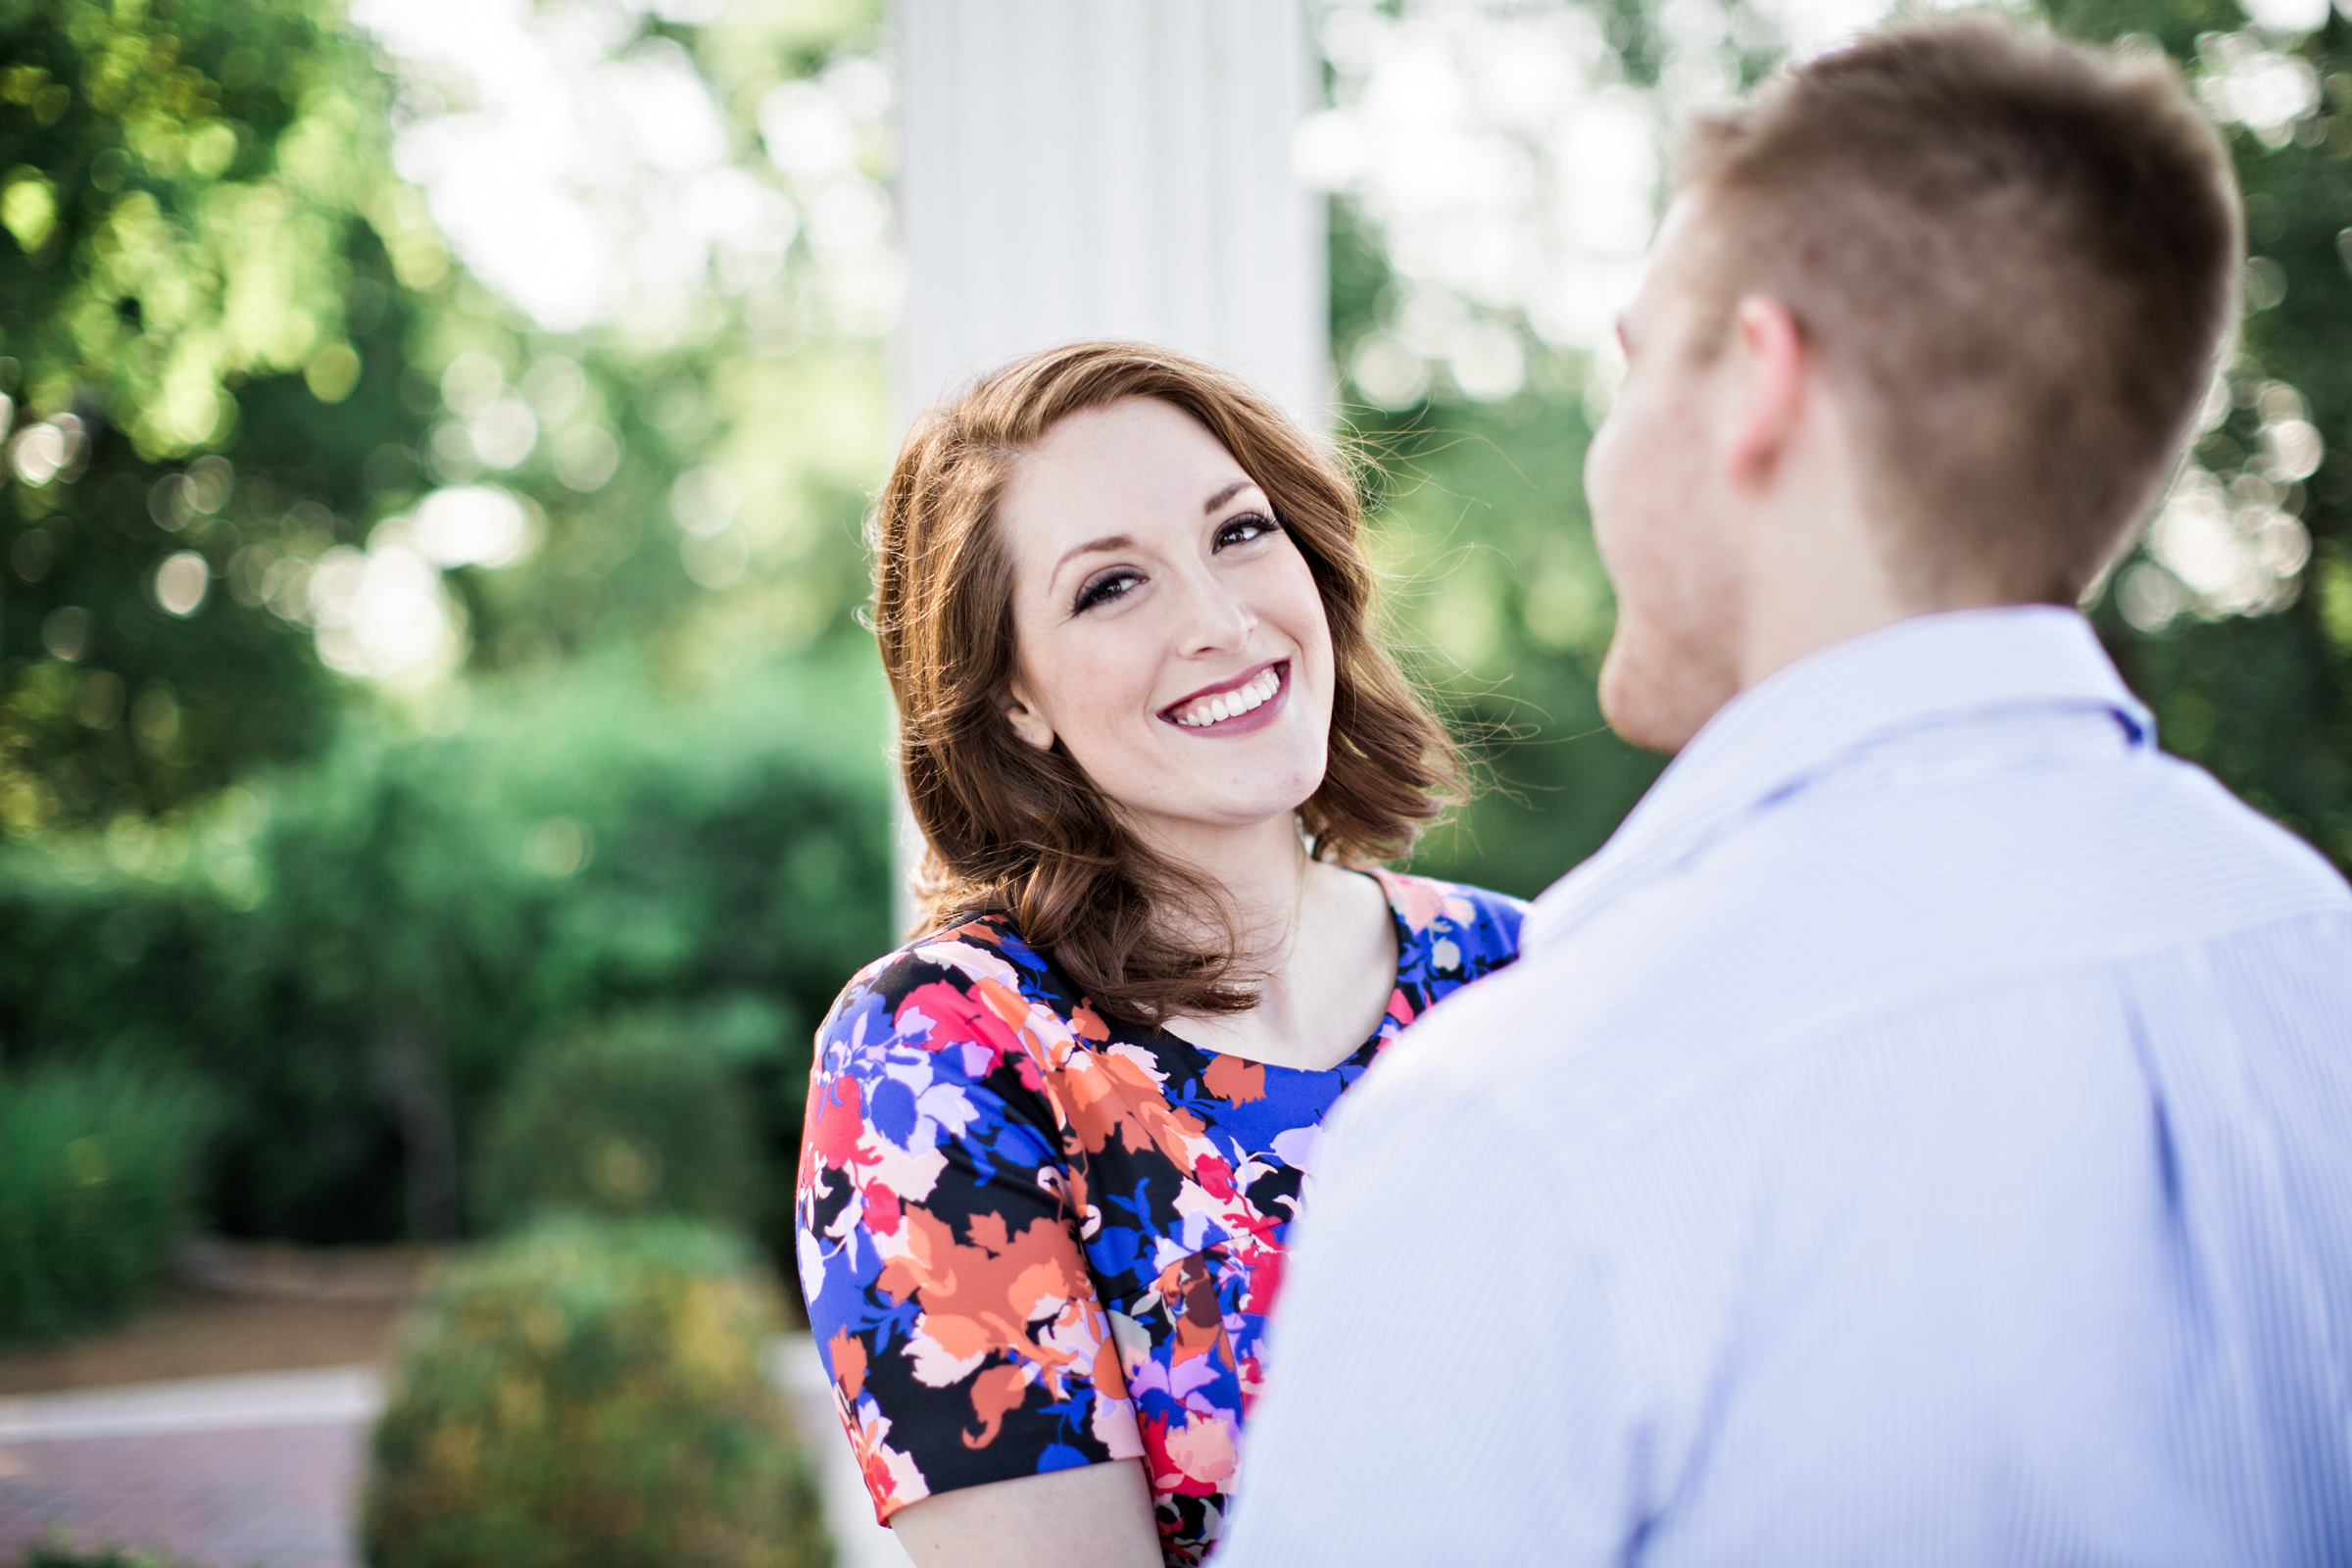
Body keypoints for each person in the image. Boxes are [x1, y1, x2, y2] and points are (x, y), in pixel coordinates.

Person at [1219, 19, 2352, 1567]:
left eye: (1635, 364)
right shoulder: (2314, 959)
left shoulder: (1528, 1126)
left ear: (1754, 381)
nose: (1608, 454)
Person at [793, 341, 1524, 1568]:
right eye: (1110, 587)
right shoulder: (936, 1061)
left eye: (1239, 533)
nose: (1224, 620)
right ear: (1011, 695)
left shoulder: (1521, 970)